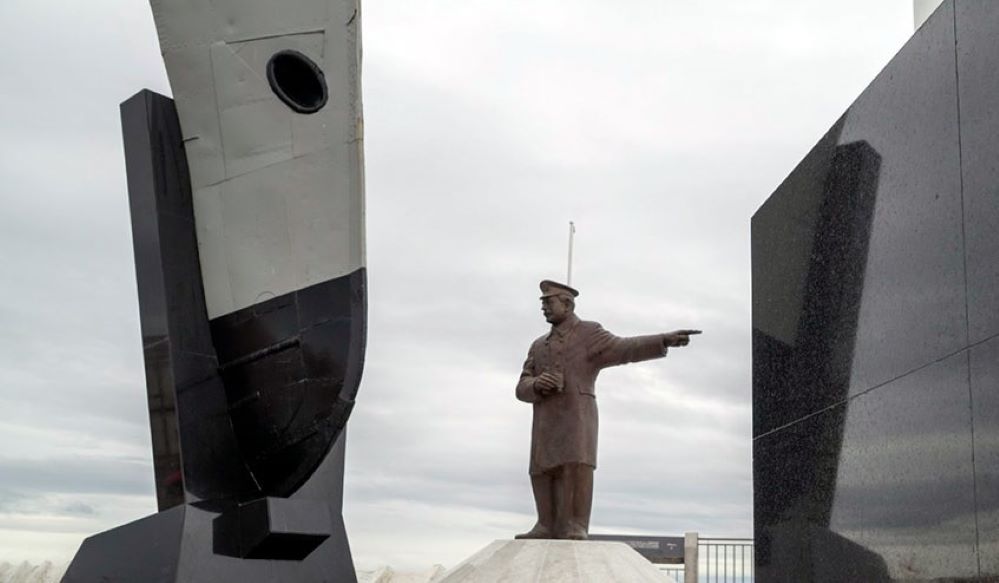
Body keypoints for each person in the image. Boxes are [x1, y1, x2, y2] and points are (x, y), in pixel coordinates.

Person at [514, 280, 700, 540]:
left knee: (576, 465)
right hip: (545, 419)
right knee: (541, 469)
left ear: (566, 304)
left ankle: (575, 525)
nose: (543, 308)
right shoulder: (538, 345)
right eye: (542, 303)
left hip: (577, 415)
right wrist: (535, 384)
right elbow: (521, 386)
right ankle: (545, 524)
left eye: (548, 302)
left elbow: (625, 348)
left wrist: (662, 340)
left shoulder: (589, 333)